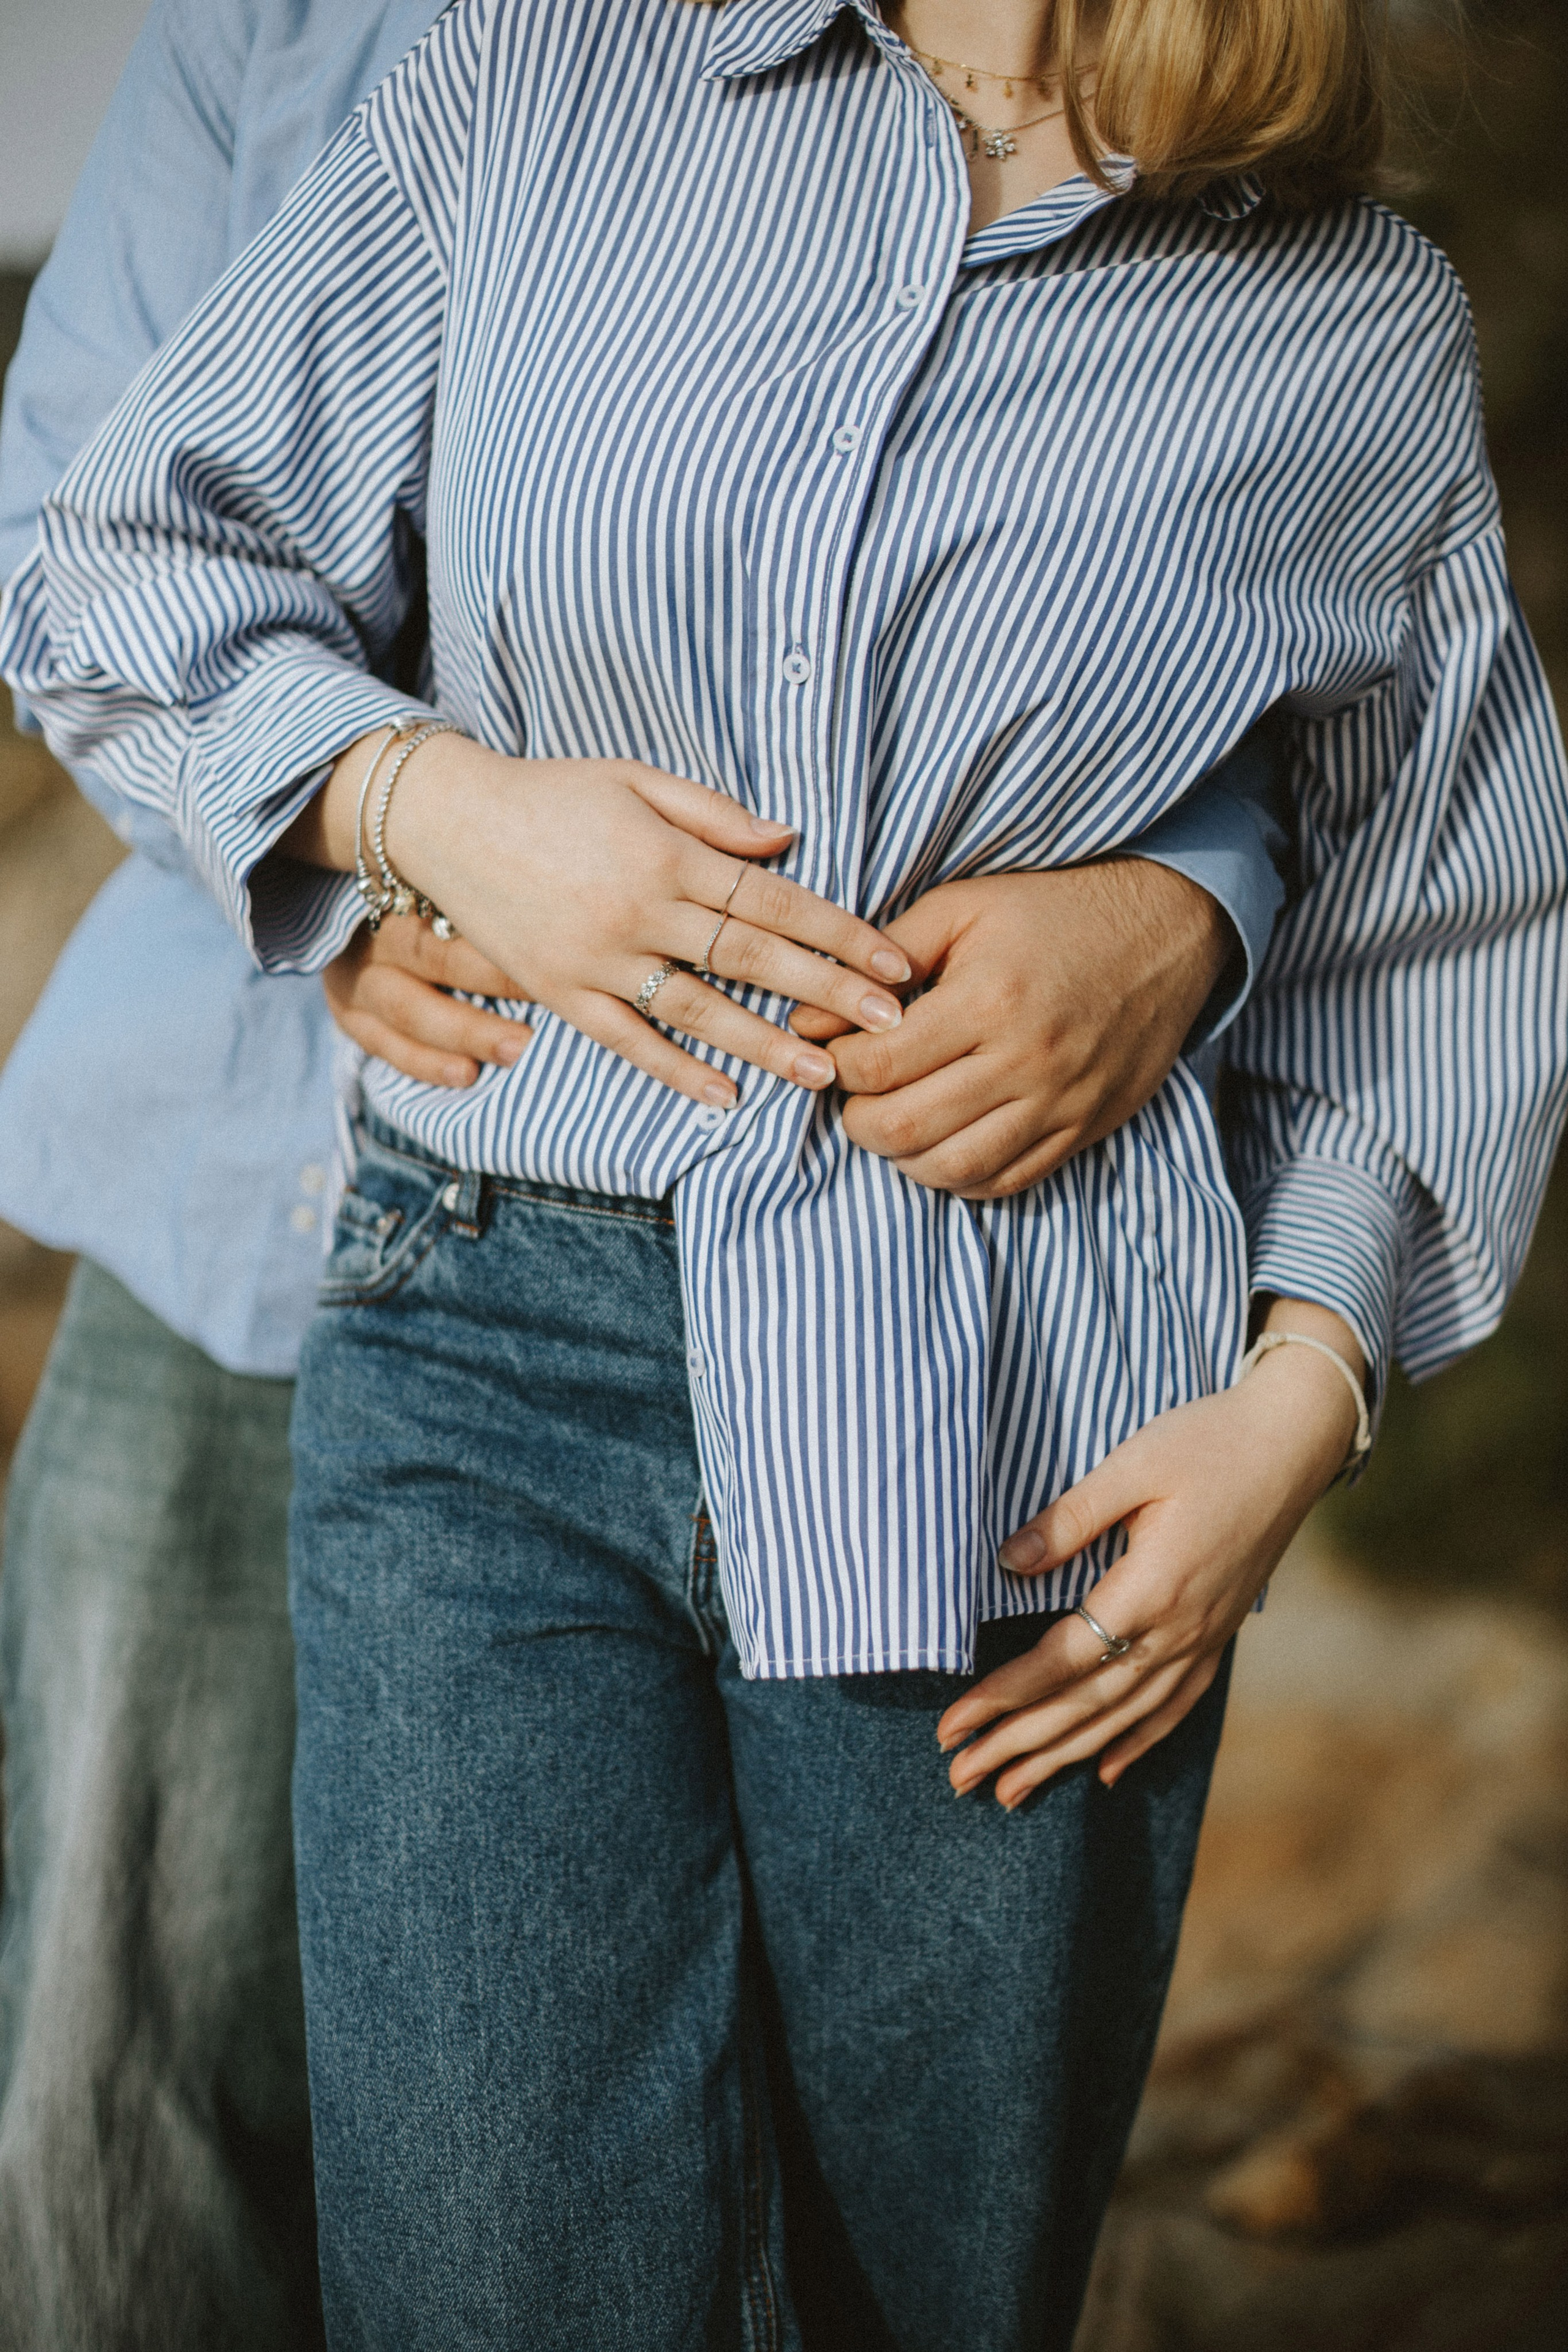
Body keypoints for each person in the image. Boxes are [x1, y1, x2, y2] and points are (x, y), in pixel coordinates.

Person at [10, 0, 1562, 2345]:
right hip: (485, 1353)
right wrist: (426, 814)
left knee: (912, 2305)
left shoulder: (1353, 321)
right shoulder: (532, 89)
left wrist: (1304, 1393)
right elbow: (122, 556)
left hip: (1027, 1435)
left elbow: (1442, 907)